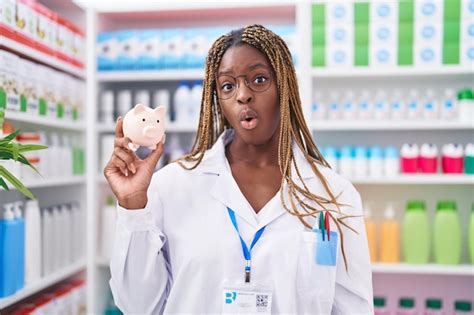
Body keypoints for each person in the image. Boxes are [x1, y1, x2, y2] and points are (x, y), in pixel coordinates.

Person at [105, 24, 373, 314]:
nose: (242, 95)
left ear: (286, 87)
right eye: (228, 85)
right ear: (218, 99)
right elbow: (139, 305)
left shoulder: (334, 195)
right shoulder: (171, 186)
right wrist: (132, 206)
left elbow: (353, 309)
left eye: (259, 79)